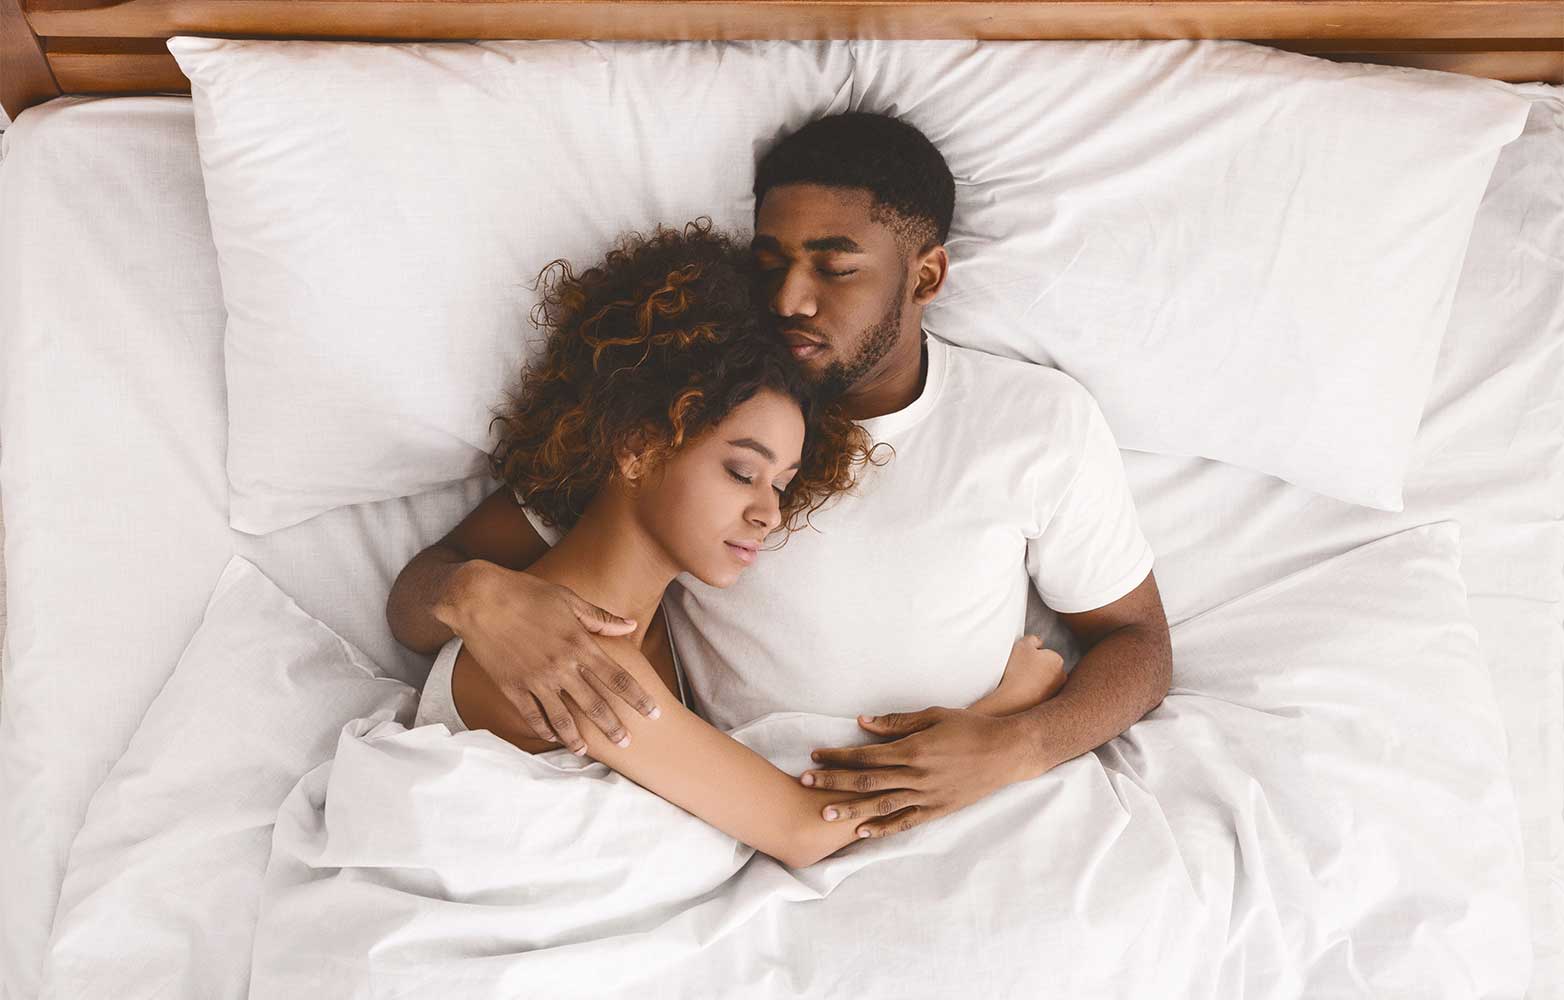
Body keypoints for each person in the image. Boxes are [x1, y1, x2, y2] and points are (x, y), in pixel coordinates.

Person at [388, 111, 1173, 847]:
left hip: (961, 808)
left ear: (926, 276)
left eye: (835, 268)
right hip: (763, 813)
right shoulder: (692, 416)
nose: (791, 300)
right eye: (771, 264)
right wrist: (477, 594)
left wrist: (1019, 741)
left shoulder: (1033, 420)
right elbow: (427, 588)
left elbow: (1140, 645)